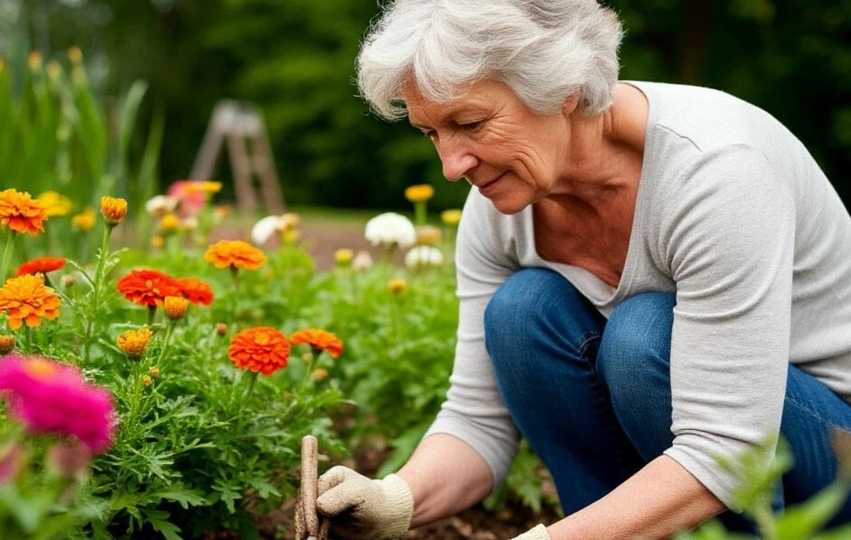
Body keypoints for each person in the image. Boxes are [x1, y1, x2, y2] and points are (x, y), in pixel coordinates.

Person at [303, 0, 851, 539]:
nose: (451, 166)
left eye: (470, 122)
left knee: (644, 339)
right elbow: (478, 418)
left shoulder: (716, 174)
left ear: (562, 89)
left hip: (830, 454)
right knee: (523, 313)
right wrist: (395, 500)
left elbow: (728, 449)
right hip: (723, 450)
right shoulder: (500, 209)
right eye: (432, 133)